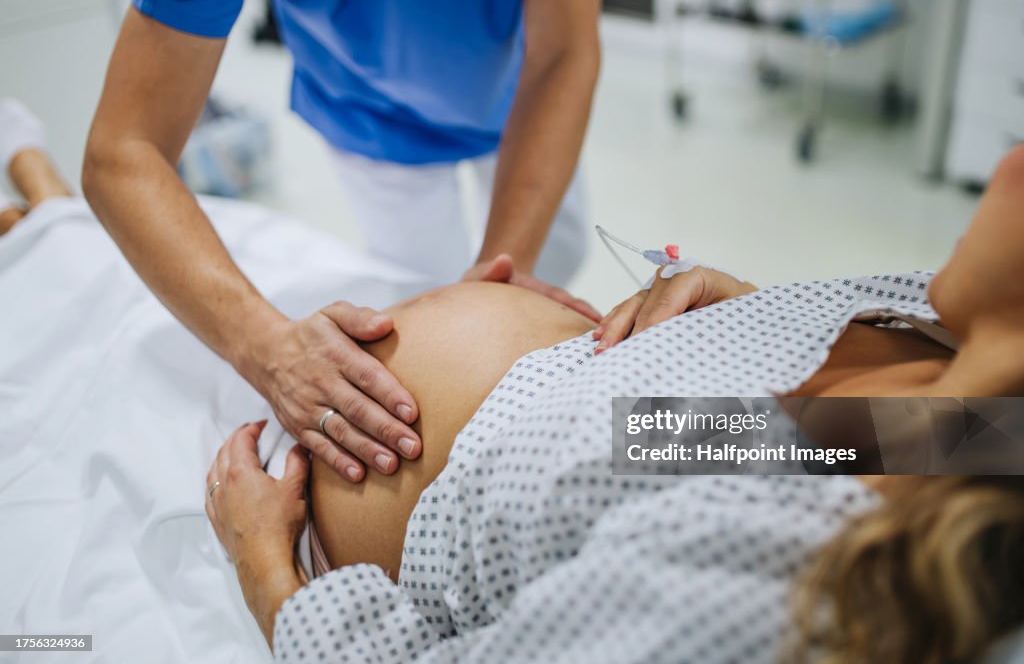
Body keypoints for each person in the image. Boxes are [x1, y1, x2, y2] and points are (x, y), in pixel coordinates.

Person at [206, 144, 1024, 663]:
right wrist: (747, 321)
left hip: (305, 509)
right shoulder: (973, 416)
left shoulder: (808, 587)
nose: (1009, 166)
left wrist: (268, 576)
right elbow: (732, 441)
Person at [81, 0, 604, 484]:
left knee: (553, 256)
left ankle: (28, 174)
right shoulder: (660, 439)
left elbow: (562, 50)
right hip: (371, 110)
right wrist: (267, 349)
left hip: (519, 88)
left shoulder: (672, 435)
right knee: (433, 297)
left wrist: (265, 562)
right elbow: (125, 151)